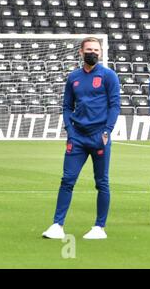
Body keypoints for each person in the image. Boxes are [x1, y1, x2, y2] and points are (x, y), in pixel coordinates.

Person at [42, 37, 120, 240]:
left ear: (100, 53)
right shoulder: (73, 77)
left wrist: (107, 131)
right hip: (77, 137)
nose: (92, 52)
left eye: (96, 49)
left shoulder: (109, 76)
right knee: (67, 180)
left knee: (102, 182)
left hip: (99, 136)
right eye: (89, 49)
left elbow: (115, 106)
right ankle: (57, 225)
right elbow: (67, 106)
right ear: (81, 52)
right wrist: (69, 129)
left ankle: (99, 227)